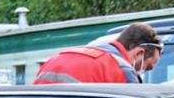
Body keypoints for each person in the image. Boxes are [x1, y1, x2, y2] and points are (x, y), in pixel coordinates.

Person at [34, 22, 163, 84]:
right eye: (147, 68)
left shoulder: (59, 58)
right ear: (139, 53)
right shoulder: (122, 72)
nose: (142, 73)